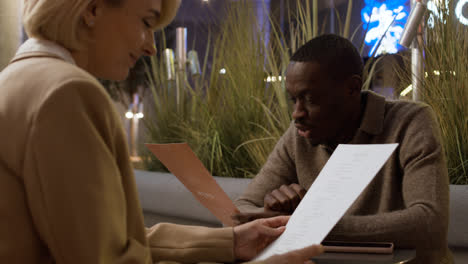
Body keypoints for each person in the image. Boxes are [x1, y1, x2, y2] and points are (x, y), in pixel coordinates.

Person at [0, 0, 323, 263]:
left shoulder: (19, 78)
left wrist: (230, 242)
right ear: (92, 9)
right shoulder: (67, 93)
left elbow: (95, 239)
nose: (151, 47)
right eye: (146, 22)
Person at [234, 34, 453, 264]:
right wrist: (286, 220)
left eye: (310, 99)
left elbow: (430, 223)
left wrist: (305, 222)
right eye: (294, 99)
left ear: (352, 88)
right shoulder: (300, 134)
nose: (297, 113)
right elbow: (239, 214)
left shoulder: (410, 122)